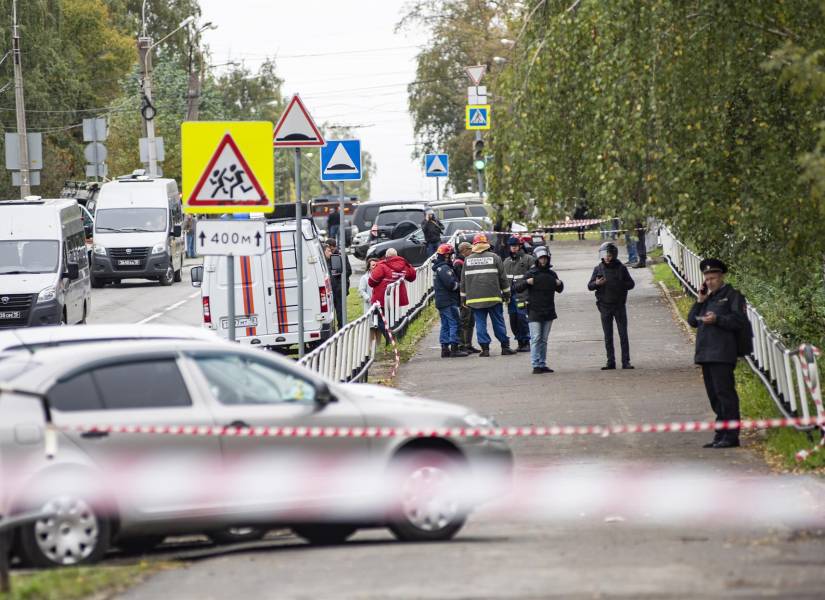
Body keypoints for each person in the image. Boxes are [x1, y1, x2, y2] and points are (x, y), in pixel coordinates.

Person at [687, 258, 750, 449]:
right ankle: (720, 433)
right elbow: (692, 320)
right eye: (707, 278)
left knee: (725, 395)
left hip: (723, 353)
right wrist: (699, 301)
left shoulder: (733, 296)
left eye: (713, 278)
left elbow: (739, 321)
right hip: (706, 353)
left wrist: (718, 319)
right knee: (714, 396)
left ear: (721, 277)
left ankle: (731, 435)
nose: (709, 282)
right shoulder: (707, 298)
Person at [460, 233, 515, 357]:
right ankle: (505, 347)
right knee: (498, 322)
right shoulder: (495, 257)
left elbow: (463, 282)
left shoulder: (467, 261)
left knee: (480, 323)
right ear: (486, 244)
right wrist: (507, 294)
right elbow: (503, 278)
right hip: (494, 297)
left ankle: (485, 349)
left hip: (474, 300)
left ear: (474, 245)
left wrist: (463, 298)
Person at [515, 246, 564, 374]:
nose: (543, 261)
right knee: (536, 338)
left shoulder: (551, 274)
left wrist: (559, 283)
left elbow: (560, 289)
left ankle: (542, 363)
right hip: (534, 310)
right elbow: (518, 287)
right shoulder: (531, 273)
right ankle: (535, 364)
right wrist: (527, 282)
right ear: (537, 259)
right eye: (541, 258)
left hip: (548, 310)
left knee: (543, 339)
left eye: (545, 258)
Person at [587, 242, 635, 370]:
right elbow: (590, 286)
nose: (607, 257)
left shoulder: (621, 268)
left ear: (614, 255)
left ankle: (626, 361)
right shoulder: (598, 269)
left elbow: (631, 284)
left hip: (619, 305)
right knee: (608, 335)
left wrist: (620, 283)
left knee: (623, 334)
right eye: (604, 255)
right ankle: (610, 361)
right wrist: (597, 283)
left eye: (609, 255)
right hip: (605, 306)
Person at [369, 248, 417, 340]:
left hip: (381, 300)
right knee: (392, 320)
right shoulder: (404, 265)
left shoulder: (382, 266)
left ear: (386, 257)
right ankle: (395, 339)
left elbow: (372, 281)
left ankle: (391, 339)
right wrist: (408, 265)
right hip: (396, 300)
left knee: (379, 320)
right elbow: (412, 277)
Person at [432, 244, 468, 358]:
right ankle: (454, 348)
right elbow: (451, 285)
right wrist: (461, 285)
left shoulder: (439, 267)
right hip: (448, 301)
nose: (452, 257)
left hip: (442, 301)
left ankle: (445, 348)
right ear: (446, 255)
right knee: (455, 323)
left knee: (446, 324)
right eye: (450, 255)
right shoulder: (444, 269)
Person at [503, 236, 534, 352]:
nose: (513, 249)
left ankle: (526, 342)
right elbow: (503, 279)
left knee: (522, 319)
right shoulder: (506, 262)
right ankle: (520, 341)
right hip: (510, 297)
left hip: (523, 295)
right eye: (511, 246)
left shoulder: (528, 259)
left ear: (520, 246)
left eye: (515, 246)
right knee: (513, 320)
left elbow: (534, 276)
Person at [453, 242, 479, 353]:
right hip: (464, 297)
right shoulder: (459, 263)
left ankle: (468, 344)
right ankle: (462, 344)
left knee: (471, 321)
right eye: (470, 249)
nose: (472, 251)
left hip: (471, 295)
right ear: (464, 250)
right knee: (464, 321)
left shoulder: (465, 261)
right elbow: (463, 281)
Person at [324, 238, 351, 330]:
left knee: (340, 311)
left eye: (331, 249)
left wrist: (339, 273)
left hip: (339, 288)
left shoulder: (341, 256)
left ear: (334, 247)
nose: (331, 252)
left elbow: (348, 271)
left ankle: (342, 329)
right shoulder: (324, 258)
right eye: (328, 250)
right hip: (330, 290)